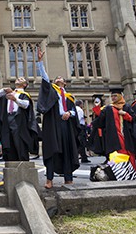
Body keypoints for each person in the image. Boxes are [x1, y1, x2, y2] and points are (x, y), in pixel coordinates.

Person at [36, 48, 80, 188]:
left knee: (67, 151)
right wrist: (40, 62)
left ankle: (68, 178)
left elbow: (74, 111)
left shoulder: (69, 96)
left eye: (61, 78)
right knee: (52, 150)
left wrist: (70, 114)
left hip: (66, 125)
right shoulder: (52, 91)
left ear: (65, 83)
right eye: (57, 78)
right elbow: (44, 79)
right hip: (54, 124)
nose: (59, 78)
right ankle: (49, 180)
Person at [92, 88, 136, 171]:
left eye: (115, 96)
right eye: (112, 96)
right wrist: (97, 109)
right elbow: (101, 120)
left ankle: (131, 170)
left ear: (120, 96)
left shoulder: (126, 107)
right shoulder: (109, 108)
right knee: (116, 153)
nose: (113, 98)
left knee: (128, 152)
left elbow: (134, 120)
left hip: (126, 134)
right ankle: (119, 171)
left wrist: (125, 114)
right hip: (113, 135)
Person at [0, 75, 39, 163]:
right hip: (7, 119)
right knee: (8, 145)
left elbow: (26, 105)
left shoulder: (24, 95)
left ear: (25, 84)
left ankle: (23, 170)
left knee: (19, 144)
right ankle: (10, 171)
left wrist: (15, 99)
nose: (18, 79)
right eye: (18, 78)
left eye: (22, 79)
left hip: (18, 120)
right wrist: (4, 90)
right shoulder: (9, 93)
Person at [88, 94, 107, 162]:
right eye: (95, 102)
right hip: (97, 129)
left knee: (104, 143)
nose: (96, 104)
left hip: (103, 129)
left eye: (97, 102)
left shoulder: (103, 109)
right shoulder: (96, 110)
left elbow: (100, 117)